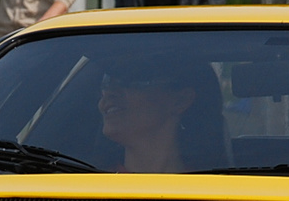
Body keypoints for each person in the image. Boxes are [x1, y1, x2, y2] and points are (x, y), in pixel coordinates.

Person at [97, 59, 227, 173]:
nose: (110, 92)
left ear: (181, 100)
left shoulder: (218, 189)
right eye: (107, 82)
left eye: (133, 79)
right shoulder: (89, 186)